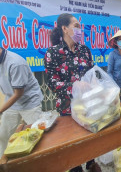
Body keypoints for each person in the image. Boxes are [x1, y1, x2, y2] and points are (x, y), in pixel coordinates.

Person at [44, 13, 101, 172]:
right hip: (67, 108)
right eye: (76, 26)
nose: (79, 29)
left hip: (87, 105)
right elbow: (52, 83)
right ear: (64, 28)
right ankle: (75, 168)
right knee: (72, 145)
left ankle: (91, 163)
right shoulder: (53, 53)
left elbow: (91, 73)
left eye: (79, 26)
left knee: (89, 139)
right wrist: (75, 86)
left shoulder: (84, 50)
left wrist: (95, 83)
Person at [0, 33, 43, 155]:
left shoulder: (15, 63)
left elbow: (18, 94)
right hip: (12, 102)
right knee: (3, 136)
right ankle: (6, 165)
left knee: (38, 136)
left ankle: (41, 161)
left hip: (30, 102)